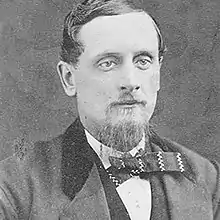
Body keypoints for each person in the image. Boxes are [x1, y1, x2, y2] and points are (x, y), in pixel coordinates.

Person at [0, 0, 219, 219]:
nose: (130, 81)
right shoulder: (14, 187)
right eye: (108, 63)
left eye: (143, 61)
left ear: (158, 72)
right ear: (69, 78)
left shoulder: (206, 178)